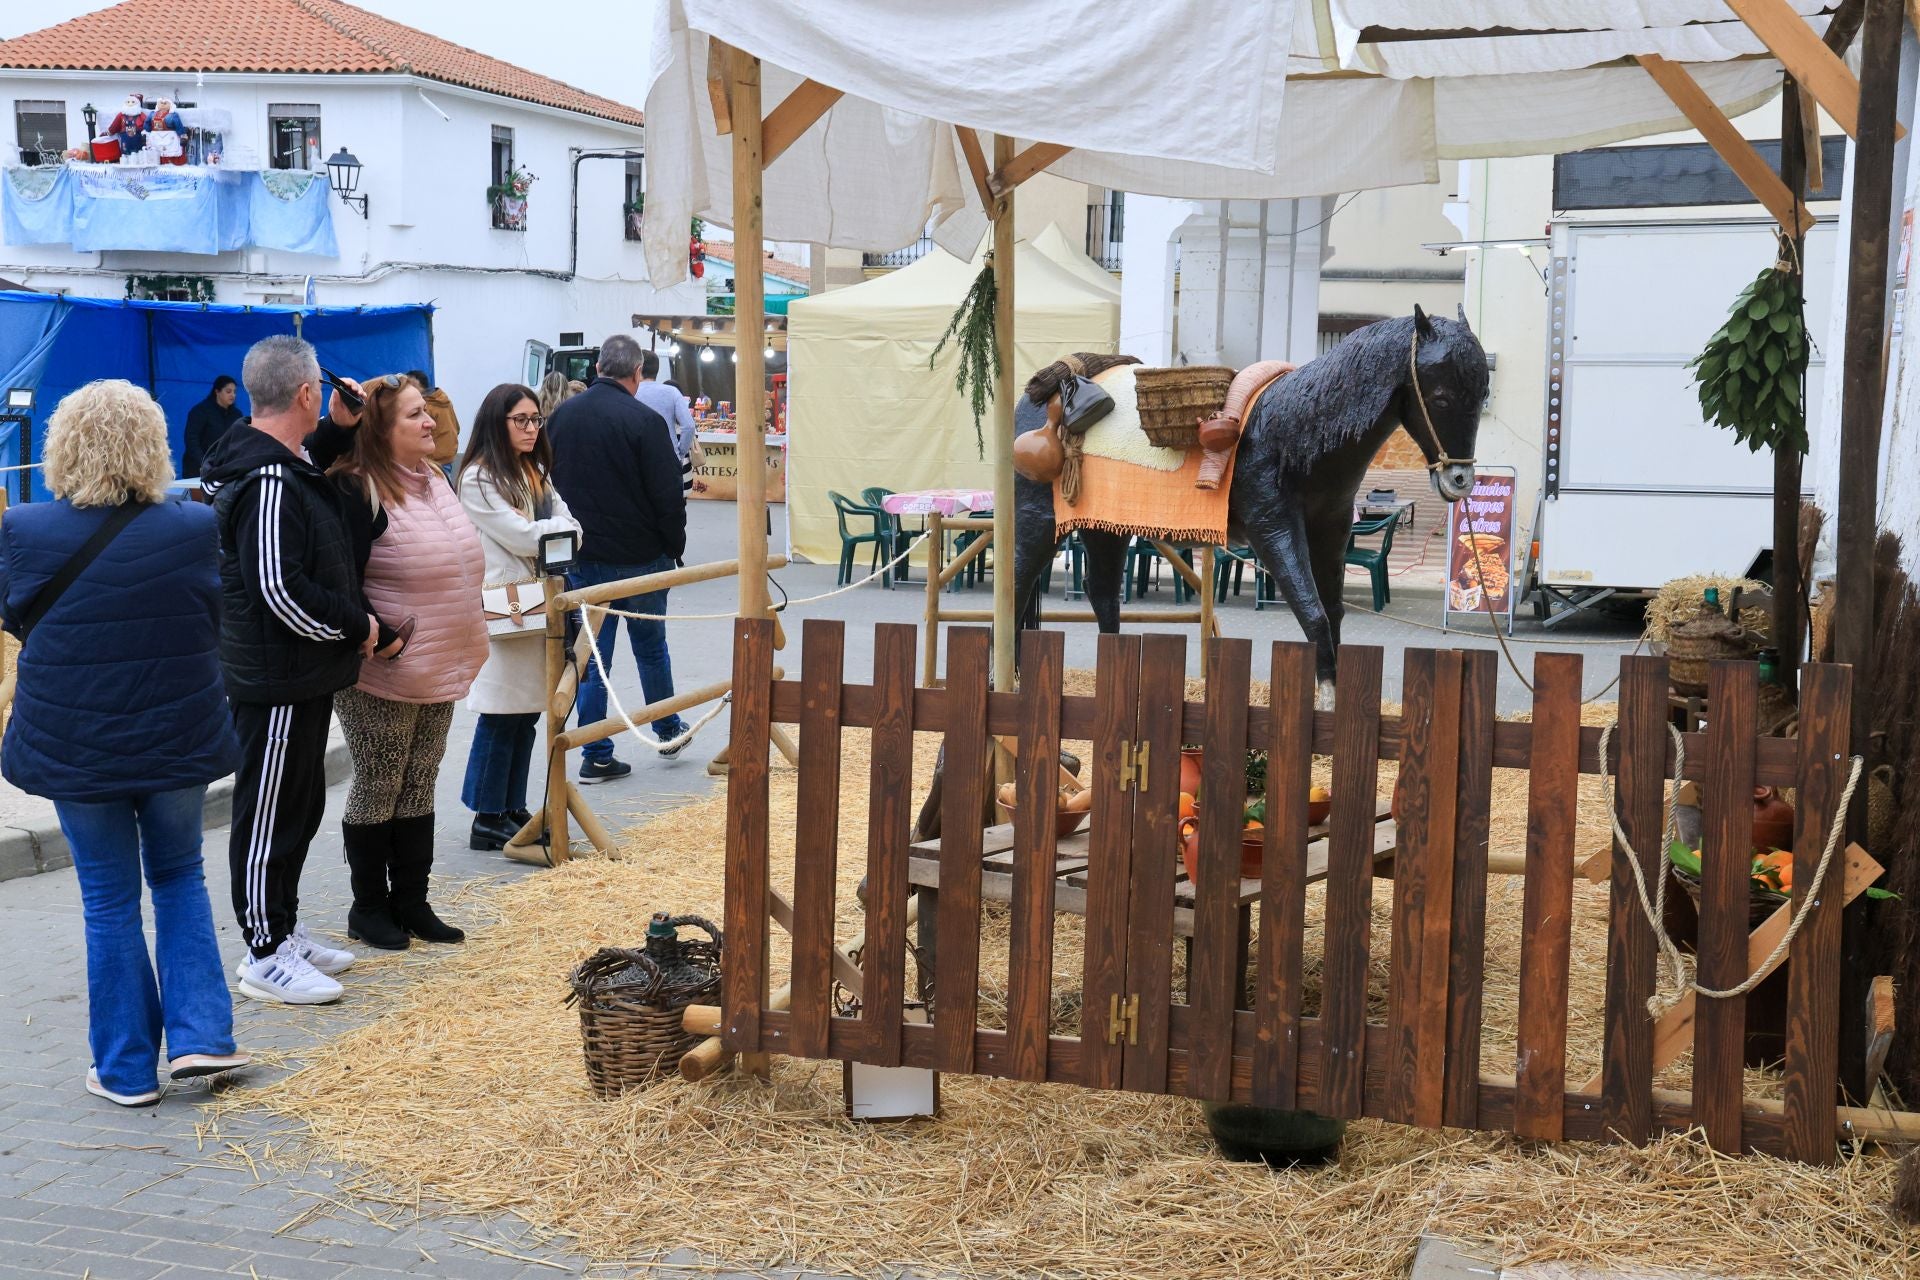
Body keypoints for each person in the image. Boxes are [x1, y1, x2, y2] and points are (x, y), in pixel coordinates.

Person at [0, 381, 249, 1105]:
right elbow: (213, 613)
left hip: (76, 742)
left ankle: (126, 1069)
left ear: (62, 448)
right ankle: (202, 1038)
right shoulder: (193, 527)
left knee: (107, 899)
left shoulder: (24, 530)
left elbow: (16, 619)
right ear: (153, 446)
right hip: (177, 731)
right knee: (179, 877)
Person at [199, 336, 372, 1006]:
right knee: (270, 812)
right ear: (304, 392)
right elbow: (279, 590)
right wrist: (360, 628)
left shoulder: (278, 459)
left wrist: (336, 428)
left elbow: (305, 463)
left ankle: (283, 929)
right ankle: (264, 951)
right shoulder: (267, 479)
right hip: (273, 678)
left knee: (298, 806)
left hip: (296, 674)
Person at [321, 374, 488, 947]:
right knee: (380, 781)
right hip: (383, 668)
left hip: (440, 661)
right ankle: (368, 907)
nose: (430, 422)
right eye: (415, 415)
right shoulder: (356, 488)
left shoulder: (433, 478)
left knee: (419, 780)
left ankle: (412, 901)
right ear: (382, 429)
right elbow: (339, 578)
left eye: (429, 413)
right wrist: (381, 635)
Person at [547, 333, 689, 780]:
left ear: (596, 369)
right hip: (642, 555)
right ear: (636, 374)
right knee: (651, 649)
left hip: (583, 556)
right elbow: (668, 495)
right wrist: (674, 546)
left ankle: (595, 750)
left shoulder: (560, 418)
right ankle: (666, 728)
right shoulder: (644, 420)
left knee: (592, 659)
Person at [456, 384, 581, 850]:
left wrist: (553, 532)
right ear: (498, 422)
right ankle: (486, 814)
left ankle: (510, 806)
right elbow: (531, 539)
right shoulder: (477, 478)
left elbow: (571, 530)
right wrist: (555, 532)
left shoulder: (533, 472)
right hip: (504, 604)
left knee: (528, 712)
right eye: (521, 420)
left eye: (536, 420)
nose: (531, 428)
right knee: (499, 711)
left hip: (539, 602)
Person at [633, 349, 700, 496]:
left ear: (637, 368)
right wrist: (679, 452)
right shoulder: (671, 392)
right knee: (671, 508)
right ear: (656, 370)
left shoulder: (631, 392)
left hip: (636, 460)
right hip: (668, 460)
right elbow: (689, 426)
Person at [182, 375, 241, 479]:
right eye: (228, 391)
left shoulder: (237, 415)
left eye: (234, 392)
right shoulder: (200, 411)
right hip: (197, 469)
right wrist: (203, 463)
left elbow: (240, 440)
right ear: (217, 392)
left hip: (225, 469)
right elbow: (191, 440)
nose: (233, 395)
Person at [409, 369, 461, 480]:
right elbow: (457, 427)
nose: (408, 389)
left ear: (421, 387)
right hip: (448, 456)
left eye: (411, 385)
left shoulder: (427, 406)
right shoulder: (444, 401)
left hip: (435, 461)